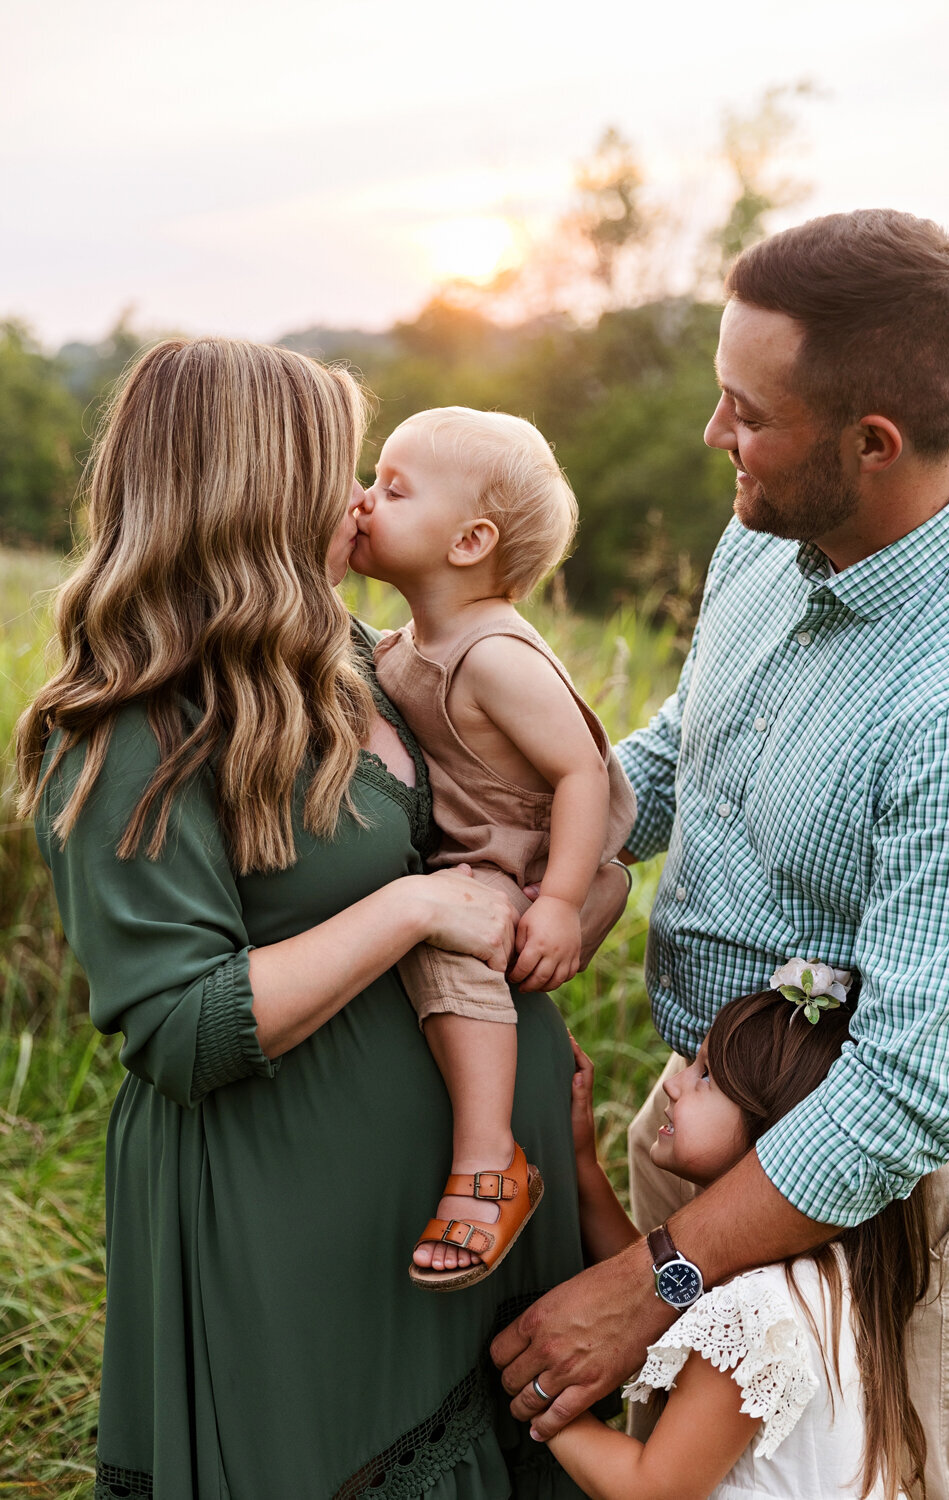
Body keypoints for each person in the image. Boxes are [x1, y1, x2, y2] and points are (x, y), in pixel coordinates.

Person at [16, 338, 621, 1500]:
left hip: (476, 1213)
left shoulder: (350, 657)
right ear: (255, 490)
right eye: (340, 470)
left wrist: (571, 900)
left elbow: (529, 808)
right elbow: (183, 1033)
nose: (358, 499)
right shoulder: (134, 730)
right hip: (302, 1235)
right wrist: (413, 906)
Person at [491, 210, 949, 1500]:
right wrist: (532, 850)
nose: (714, 434)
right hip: (722, 1116)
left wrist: (653, 1273)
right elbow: (684, 750)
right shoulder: (769, 532)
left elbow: (903, 1094)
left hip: (898, 1210)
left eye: (745, 410)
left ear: (870, 443)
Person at [351, 406, 635, 1289]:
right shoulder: (404, 645)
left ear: (470, 540)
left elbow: (583, 774)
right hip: (486, 862)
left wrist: (556, 900)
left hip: (536, 868)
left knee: (452, 945)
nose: (363, 500)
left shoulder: (496, 655)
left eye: (392, 490)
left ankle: (491, 1159)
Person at [545, 966, 929, 1500]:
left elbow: (651, 1489)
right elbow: (656, 1302)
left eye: (705, 1076)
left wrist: (543, 1405)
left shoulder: (755, 1309)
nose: (675, 1084)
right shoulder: (818, 1268)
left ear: (775, 1129)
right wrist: (584, 1164)